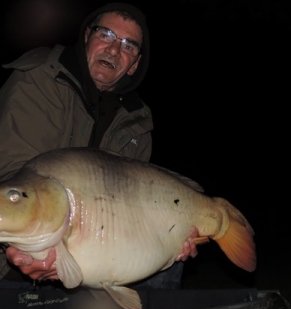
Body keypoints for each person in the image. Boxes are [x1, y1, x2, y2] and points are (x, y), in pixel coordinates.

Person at [0, 3, 197, 290]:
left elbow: (140, 215)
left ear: (135, 65)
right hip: (18, 254)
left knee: (168, 267)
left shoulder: (137, 123)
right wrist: (22, 247)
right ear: (86, 38)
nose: (114, 50)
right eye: (106, 35)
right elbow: (12, 175)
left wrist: (172, 239)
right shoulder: (40, 79)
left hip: (95, 246)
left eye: (129, 46)